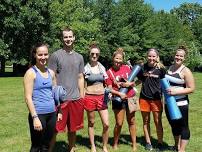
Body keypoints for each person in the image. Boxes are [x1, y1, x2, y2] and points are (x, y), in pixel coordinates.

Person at [48, 27, 85, 152]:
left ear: (74, 38)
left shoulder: (79, 57)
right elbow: (51, 76)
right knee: (55, 129)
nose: (68, 39)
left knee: (73, 129)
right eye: (65, 37)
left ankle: (71, 149)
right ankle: (49, 150)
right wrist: (55, 95)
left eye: (70, 36)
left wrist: (82, 96)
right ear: (62, 39)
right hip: (61, 100)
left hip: (75, 98)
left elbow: (80, 77)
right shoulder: (55, 55)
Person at [23, 43, 57, 152]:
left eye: (45, 54)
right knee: (36, 146)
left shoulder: (51, 73)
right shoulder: (31, 73)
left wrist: (59, 111)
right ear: (35, 55)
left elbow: (55, 93)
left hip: (52, 114)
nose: (43, 57)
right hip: (38, 114)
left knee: (46, 146)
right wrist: (35, 117)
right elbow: (28, 97)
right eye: (40, 54)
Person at [105, 48, 137, 151]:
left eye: (120, 59)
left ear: (122, 59)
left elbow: (134, 82)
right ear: (113, 59)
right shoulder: (108, 72)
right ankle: (115, 143)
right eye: (116, 58)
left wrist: (129, 84)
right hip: (118, 99)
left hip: (131, 97)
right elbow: (109, 89)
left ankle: (134, 145)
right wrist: (119, 93)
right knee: (119, 123)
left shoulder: (127, 68)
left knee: (132, 121)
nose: (118, 61)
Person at [165, 46, 195, 152]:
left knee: (183, 126)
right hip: (168, 102)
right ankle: (176, 146)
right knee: (174, 125)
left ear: (184, 58)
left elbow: (191, 89)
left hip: (181, 103)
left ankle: (182, 150)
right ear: (174, 56)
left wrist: (176, 91)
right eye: (177, 55)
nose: (178, 57)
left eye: (181, 56)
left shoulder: (186, 71)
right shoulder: (169, 68)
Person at [136, 48, 166, 151]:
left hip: (156, 99)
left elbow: (165, 83)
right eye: (149, 56)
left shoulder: (161, 69)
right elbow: (139, 80)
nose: (151, 58)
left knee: (158, 122)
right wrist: (129, 85)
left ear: (157, 57)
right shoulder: (142, 68)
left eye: (153, 56)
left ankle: (160, 143)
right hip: (144, 98)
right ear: (146, 56)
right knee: (146, 121)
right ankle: (148, 142)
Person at [83, 43, 109, 152]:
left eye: (96, 54)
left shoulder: (102, 67)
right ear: (89, 54)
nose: (94, 56)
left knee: (106, 124)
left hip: (102, 97)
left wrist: (109, 91)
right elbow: (82, 84)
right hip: (89, 97)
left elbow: (107, 82)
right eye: (92, 54)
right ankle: (93, 145)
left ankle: (104, 146)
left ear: (99, 55)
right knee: (91, 123)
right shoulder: (85, 68)